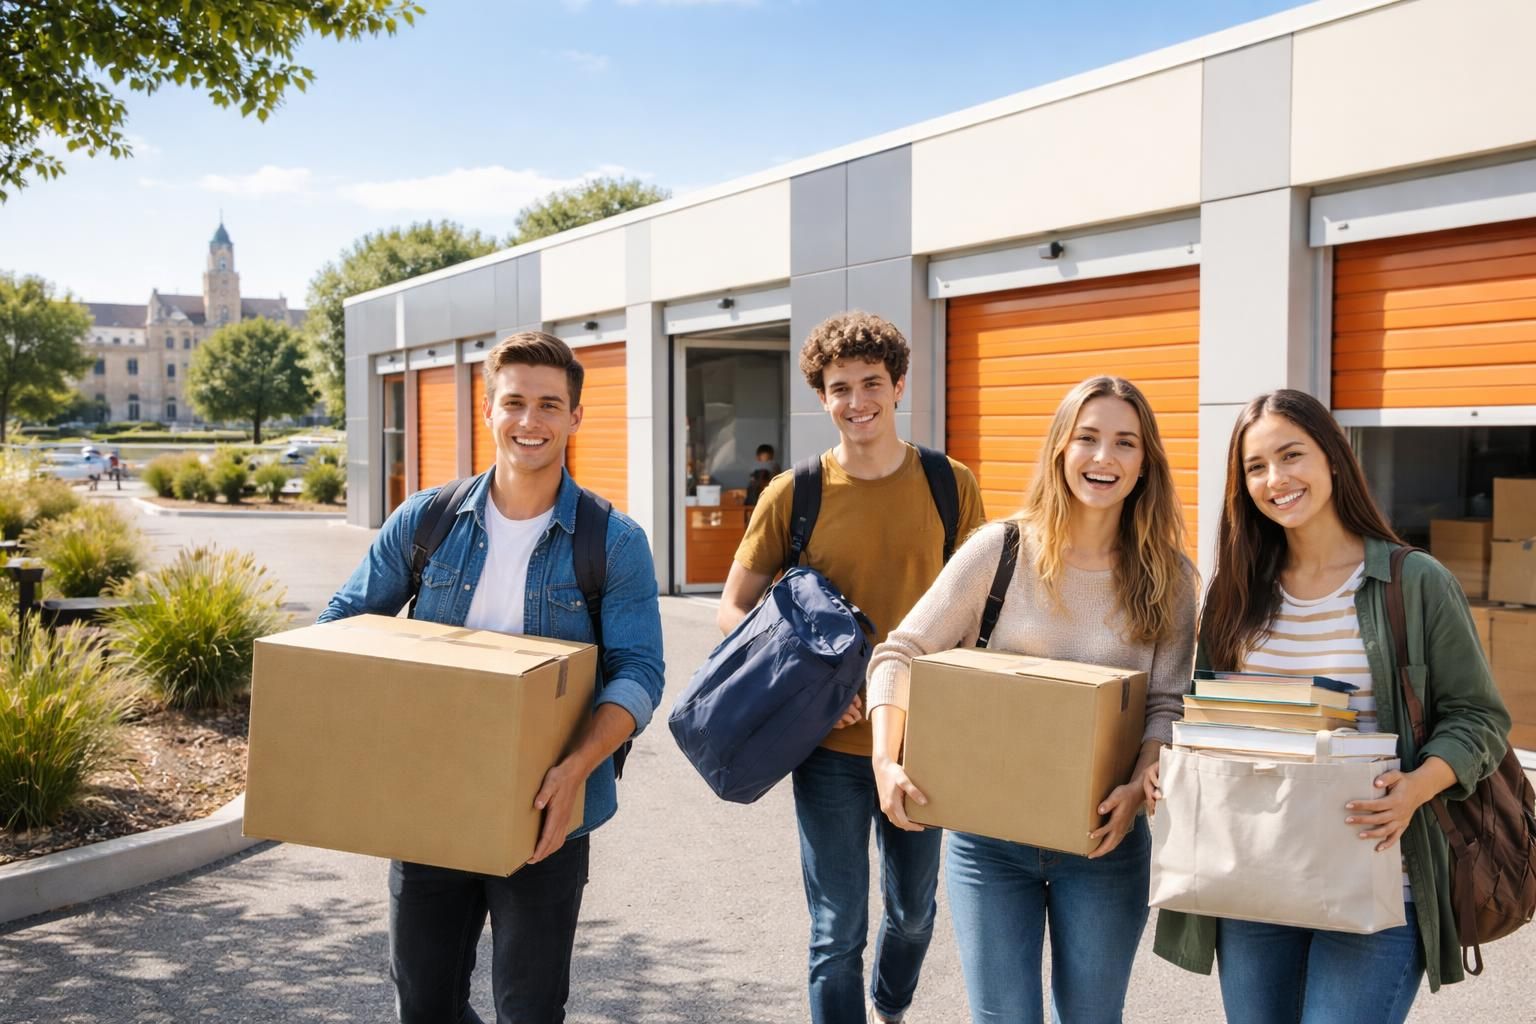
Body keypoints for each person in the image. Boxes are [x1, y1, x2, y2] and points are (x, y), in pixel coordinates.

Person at [319, 331, 666, 1024]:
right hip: (429, 801)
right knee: (425, 1004)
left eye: (549, 404)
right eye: (514, 403)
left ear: (575, 417)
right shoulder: (427, 520)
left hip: (547, 809)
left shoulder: (613, 541)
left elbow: (640, 672)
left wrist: (576, 769)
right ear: (487, 411)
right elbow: (343, 626)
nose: (530, 421)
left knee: (529, 1009)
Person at [1149, 388, 1511, 1023]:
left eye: (1292, 455)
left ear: (1334, 460)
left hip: (1378, 872)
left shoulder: (1414, 582)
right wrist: (1171, 763)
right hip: (1253, 873)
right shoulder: (1235, 592)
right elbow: (1204, 713)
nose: (1276, 479)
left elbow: (1479, 717)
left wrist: (1417, 787)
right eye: (1256, 466)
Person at [867, 375, 1196, 1024]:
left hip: (1104, 842)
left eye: (1125, 443)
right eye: (1088, 438)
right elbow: (900, 653)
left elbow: (1167, 704)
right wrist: (885, 758)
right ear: (1060, 449)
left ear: (1144, 463)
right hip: (988, 842)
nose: (1103, 457)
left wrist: (1138, 788)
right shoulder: (1001, 550)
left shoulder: (1171, 578)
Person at [719, 311, 984, 1024]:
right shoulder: (794, 493)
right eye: (840, 388)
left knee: (914, 914)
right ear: (822, 397)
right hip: (828, 746)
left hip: (921, 743)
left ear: (898, 386)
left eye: (871, 383)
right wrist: (808, 691)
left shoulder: (949, 483)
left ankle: (890, 1006)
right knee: (836, 931)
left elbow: (980, 607)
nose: (857, 401)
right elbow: (734, 609)